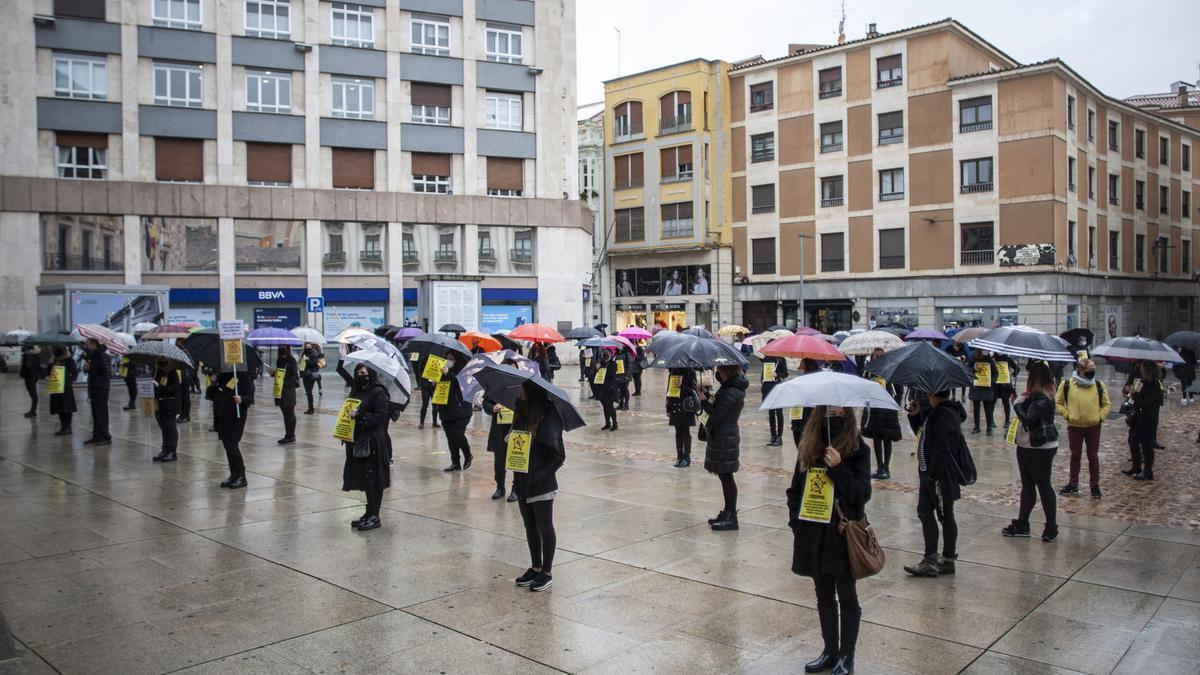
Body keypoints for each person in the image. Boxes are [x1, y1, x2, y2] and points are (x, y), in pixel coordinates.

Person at [787, 406, 871, 675]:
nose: (833, 410)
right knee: (823, 593)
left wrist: (839, 468)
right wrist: (796, 524)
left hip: (841, 534)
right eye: (828, 405)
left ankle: (848, 655)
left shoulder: (858, 447)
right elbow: (795, 489)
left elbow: (861, 494)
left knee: (847, 595)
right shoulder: (809, 445)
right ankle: (829, 651)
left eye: (838, 406)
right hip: (814, 532)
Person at [903, 389, 966, 578]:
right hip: (929, 473)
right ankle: (936, 558)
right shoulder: (936, 413)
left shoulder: (944, 414)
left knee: (944, 514)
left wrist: (933, 475)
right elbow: (923, 436)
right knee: (926, 512)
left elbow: (942, 447)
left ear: (933, 394)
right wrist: (914, 417)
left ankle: (941, 560)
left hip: (939, 475)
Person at [512, 382, 566, 592]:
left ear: (531, 393)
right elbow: (519, 443)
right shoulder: (521, 413)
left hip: (541, 482)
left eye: (522, 389)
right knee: (529, 526)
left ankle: (547, 571)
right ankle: (535, 566)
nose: (519, 392)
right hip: (522, 480)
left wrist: (539, 476)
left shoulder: (547, 417)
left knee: (544, 525)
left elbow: (558, 456)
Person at [1003, 361, 1060, 542]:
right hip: (1027, 445)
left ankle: (1051, 527)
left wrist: (1017, 404)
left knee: (1043, 486)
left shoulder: (1043, 398)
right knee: (1028, 485)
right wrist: (1021, 399)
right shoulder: (1035, 396)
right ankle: (1022, 524)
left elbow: (1027, 419)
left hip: (1039, 448)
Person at [342, 364, 392, 531]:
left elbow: (382, 416)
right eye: (357, 372)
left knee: (375, 478)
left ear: (370, 374)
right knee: (365, 478)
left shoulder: (378, 391)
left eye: (363, 372)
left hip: (374, 442)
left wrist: (361, 415)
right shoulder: (358, 391)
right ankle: (368, 512)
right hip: (360, 440)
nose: (359, 375)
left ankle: (375, 515)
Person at [701, 364, 748, 531]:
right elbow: (718, 406)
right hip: (723, 435)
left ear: (727, 371)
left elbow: (717, 414)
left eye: (720, 369)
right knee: (724, 476)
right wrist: (707, 396)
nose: (718, 372)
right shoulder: (729, 387)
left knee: (726, 476)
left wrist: (703, 401)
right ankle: (728, 511)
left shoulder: (731, 390)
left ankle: (731, 516)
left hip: (725, 436)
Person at [1056, 358, 1110, 498]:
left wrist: (1100, 417)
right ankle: (1073, 484)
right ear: (1080, 370)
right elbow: (1058, 402)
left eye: (1093, 370)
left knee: (1093, 456)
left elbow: (1106, 404)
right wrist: (1067, 415)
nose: (1092, 373)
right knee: (1075, 455)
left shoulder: (1098, 385)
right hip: (1075, 426)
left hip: (1093, 426)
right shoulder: (1067, 384)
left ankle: (1095, 486)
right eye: (1089, 370)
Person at [209, 370, 253, 489]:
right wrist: (213, 383)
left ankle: (241, 476)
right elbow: (211, 395)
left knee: (232, 445)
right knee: (226, 444)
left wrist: (242, 399)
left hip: (236, 415)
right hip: (223, 415)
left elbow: (249, 395)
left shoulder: (241, 375)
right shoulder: (222, 375)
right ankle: (234, 474)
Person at [862, 350, 900, 479]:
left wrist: (896, 404)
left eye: (881, 356)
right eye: (877, 356)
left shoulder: (890, 370)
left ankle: (886, 467)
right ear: (872, 357)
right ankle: (879, 466)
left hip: (887, 408)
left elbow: (897, 389)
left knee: (887, 438)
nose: (879, 358)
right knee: (876, 438)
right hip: (874, 408)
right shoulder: (869, 370)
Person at [1126, 360, 1163, 481]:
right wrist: (1131, 393)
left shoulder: (1155, 387)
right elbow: (1136, 398)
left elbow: (1145, 403)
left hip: (1148, 419)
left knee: (1147, 445)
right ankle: (1136, 467)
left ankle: (1148, 471)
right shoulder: (1142, 382)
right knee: (1132, 440)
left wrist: (1135, 395)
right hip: (1138, 418)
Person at [437, 352, 474, 471]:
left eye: (451, 359)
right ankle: (455, 462)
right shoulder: (441, 371)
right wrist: (433, 383)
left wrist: (448, 374)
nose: (448, 361)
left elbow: (460, 384)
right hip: (445, 410)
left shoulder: (464, 372)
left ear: (457, 359)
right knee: (450, 438)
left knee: (457, 434)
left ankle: (468, 455)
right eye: (447, 358)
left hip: (461, 410)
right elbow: (437, 390)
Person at [485, 395, 518, 501]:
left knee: (517, 460)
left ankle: (516, 488)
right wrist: (492, 407)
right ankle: (500, 486)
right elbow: (486, 403)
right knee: (499, 460)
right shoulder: (496, 388)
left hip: (517, 428)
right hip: (499, 429)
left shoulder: (523, 388)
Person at [82, 338, 113, 445]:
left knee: (101, 413)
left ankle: (105, 436)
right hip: (94, 388)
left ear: (94, 344)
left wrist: (98, 383)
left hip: (101, 389)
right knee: (95, 413)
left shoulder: (102, 355)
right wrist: (87, 368)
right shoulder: (93, 356)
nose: (86, 346)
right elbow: (94, 370)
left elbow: (107, 373)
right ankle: (97, 435)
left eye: (88, 344)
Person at [666, 367, 697, 467]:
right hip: (675, 405)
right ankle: (679, 455)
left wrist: (681, 385)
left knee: (685, 431)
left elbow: (693, 390)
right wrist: (668, 407)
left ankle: (686, 456)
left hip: (686, 405)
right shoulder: (673, 372)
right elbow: (669, 390)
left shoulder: (690, 372)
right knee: (677, 431)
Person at [151, 359, 181, 461]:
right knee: (164, 428)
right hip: (160, 404)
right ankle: (165, 449)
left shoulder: (172, 373)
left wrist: (159, 386)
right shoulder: (158, 372)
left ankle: (172, 451)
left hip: (170, 404)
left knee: (170, 428)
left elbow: (174, 389)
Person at [791, 359, 823, 447]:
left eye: (802, 361)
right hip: (799, 412)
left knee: (805, 441)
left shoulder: (816, 378)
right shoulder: (802, 376)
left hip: (809, 412)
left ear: (807, 364)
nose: (800, 363)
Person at [48, 346, 78, 435]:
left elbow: (74, 373)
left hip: (66, 388)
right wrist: (52, 365)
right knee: (59, 408)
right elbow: (48, 373)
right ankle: (63, 427)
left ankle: (68, 427)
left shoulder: (68, 360)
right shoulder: (54, 361)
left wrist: (69, 381)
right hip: (56, 387)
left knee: (67, 408)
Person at [274, 345, 300, 444]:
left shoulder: (291, 360)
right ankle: (287, 434)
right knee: (285, 414)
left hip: (288, 391)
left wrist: (285, 381)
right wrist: (274, 373)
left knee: (290, 413)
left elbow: (294, 377)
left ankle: (291, 435)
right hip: (280, 390)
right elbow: (278, 375)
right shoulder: (279, 360)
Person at [762, 355, 789, 447]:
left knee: (779, 412)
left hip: (777, 387)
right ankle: (772, 435)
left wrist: (777, 374)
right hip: (767, 387)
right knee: (771, 413)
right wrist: (763, 379)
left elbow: (785, 373)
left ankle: (779, 436)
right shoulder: (766, 359)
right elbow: (763, 372)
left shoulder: (781, 359)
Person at [968, 350, 997, 434]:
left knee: (987, 408)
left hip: (987, 387)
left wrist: (992, 381)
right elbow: (967, 370)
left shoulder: (989, 359)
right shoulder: (973, 358)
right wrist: (973, 369)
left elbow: (995, 372)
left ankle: (989, 428)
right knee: (976, 408)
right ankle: (977, 427)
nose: (984, 352)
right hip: (976, 386)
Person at [992, 354, 1019, 428]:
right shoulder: (993, 358)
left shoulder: (1007, 358)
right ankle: (991, 420)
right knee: (992, 402)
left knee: (1005, 402)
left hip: (1005, 384)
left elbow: (1017, 369)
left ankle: (1007, 420)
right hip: (996, 384)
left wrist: (1011, 375)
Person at [595, 349, 619, 430]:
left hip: (610, 388)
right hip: (602, 388)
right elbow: (596, 375)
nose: (605, 356)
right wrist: (597, 368)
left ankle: (615, 424)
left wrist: (603, 370)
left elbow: (611, 374)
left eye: (607, 355)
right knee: (605, 406)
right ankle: (607, 423)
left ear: (610, 355)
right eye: (604, 355)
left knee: (610, 406)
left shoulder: (613, 364)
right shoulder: (601, 363)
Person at [300, 342, 324, 415]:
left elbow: (314, 364)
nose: (307, 347)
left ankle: (311, 409)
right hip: (305, 375)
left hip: (311, 375)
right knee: (308, 392)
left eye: (309, 346)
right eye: (306, 346)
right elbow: (302, 364)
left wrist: (307, 360)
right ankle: (310, 408)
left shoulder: (314, 353)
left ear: (311, 347)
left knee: (309, 392)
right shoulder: (304, 353)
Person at [20, 344, 41, 418]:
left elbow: (29, 367)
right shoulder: (32, 356)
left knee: (33, 395)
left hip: (30, 378)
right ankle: (32, 410)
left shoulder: (29, 357)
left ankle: (33, 411)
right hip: (31, 377)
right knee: (33, 394)